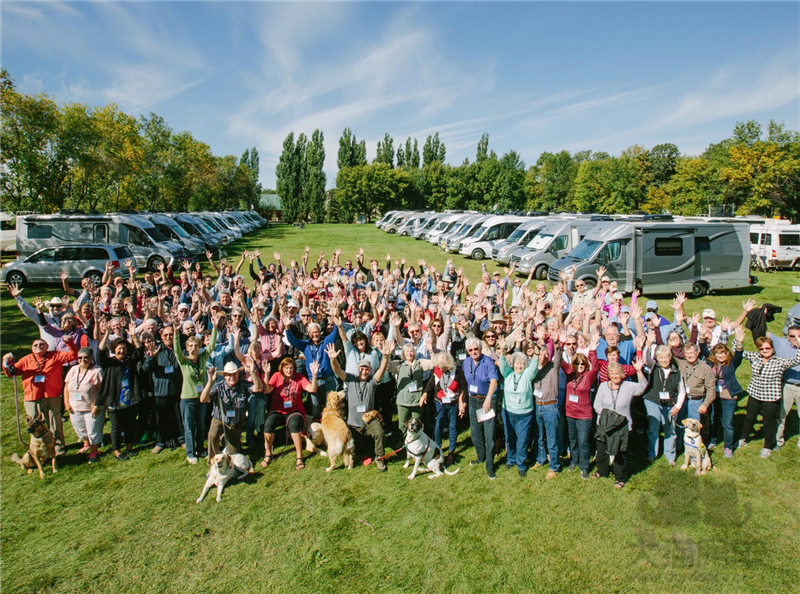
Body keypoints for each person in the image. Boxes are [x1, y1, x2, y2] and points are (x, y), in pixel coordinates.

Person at [2, 335, 78, 456]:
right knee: (33, 422)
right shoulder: (25, 360)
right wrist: (6, 362)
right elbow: (12, 372)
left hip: (51, 394)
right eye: (35, 345)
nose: (39, 346)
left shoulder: (56, 355)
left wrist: (70, 343)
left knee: (54, 420)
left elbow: (73, 356)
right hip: (32, 397)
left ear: (47, 346)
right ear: (32, 348)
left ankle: (58, 445)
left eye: (42, 344)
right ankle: (37, 447)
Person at [326, 341, 392, 472]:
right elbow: (337, 370)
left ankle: (379, 458)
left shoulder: (372, 381)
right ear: (358, 369)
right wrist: (333, 359)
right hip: (353, 424)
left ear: (370, 370)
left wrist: (385, 356)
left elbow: (382, 370)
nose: (364, 371)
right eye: (362, 368)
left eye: (367, 369)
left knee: (379, 433)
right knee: (359, 450)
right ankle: (363, 451)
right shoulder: (350, 379)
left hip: (369, 420)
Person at [735, 334, 800, 457]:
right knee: (749, 418)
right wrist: (738, 341)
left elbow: (797, 360)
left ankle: (767, 447)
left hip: (770, 397)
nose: (765, 351)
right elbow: (738, 352)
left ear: (772, 348)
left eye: (767, 348)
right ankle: (743, 439)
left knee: (768, 422)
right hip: (755, 394)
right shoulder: (755, 357)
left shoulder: (780, 361)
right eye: (761, 348)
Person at [593, 358, 648, 488]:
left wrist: (639, 371)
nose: (615, 376)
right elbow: (597, 405)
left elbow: (643, 386)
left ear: (622, 374)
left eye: (617, 373)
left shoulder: (628, 386)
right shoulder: (603, 386)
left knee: (620, 452)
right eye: (612, 373)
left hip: (622, 426)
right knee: (601, 449)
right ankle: (601, 471)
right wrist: (608, 416)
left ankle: (620, 477)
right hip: (604, 423)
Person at [262, 358, 319, 469]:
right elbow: (266, 390)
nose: (289, 370)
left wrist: (314, 375)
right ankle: (268, 453)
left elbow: (312, 389)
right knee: (268, 424)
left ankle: (299, 456)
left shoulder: (299, 377)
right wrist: (267, 374)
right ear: (282, 368)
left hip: (294, 410)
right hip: (278, 410)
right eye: (286, 368)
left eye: (291, 368)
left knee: (294, 425)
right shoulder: (276, 376)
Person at [173, 320, 218, 464]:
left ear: (199, 347)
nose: (194, 348)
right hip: (188, 399)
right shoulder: (184, 361)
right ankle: (190, 452)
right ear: (187, 348)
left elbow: (211, 346)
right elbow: (176, 350)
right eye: (191, 346)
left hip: (202, 398)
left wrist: (215, 328)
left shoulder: (203, 358)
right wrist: (176, 332)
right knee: (189, 427)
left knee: (201, 425)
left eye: (196, 345)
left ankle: (201, 448)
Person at [96, 329, 144, 461]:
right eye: (119, 349)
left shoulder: (129, 361)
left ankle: (129, 446)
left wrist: (134, 336)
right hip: (115, 401)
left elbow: (140, 351)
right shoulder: (109, 363)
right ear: (114, 350)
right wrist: (106, 334)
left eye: (124, 348)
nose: (122, 351)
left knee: (130, 424)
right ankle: (116, 450)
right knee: (116, 427)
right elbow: (100, 353)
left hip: (130, 399)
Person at [561, 334, 600, 479]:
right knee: (573, 439)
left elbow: (595, 367)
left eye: (582, 364)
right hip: (570, 413)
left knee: (583, 441)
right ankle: (574, 461)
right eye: (577, 363)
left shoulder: (588, 376)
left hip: (584, 415)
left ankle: (584, 467)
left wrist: (592, 351)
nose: (580, 366)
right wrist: (559, 344)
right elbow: (560, 362)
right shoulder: (569, 374)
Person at [142, 325, 183, 454]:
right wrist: (152, 357)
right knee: (161, 419)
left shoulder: (180, 348)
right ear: (161, 336)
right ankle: (161, 442)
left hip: (177, 390)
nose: (168, 337)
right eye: (166, 335)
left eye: (171, 334)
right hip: (161, 391)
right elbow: (146, 369)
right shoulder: (157, 349)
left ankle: (182, 439)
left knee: (179, 417)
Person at [201, 361, 255, 460]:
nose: (232, 377)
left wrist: (252, 372)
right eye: (229, 375)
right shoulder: (219, 386)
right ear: (224, 376)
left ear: (238, 374)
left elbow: (258, 388)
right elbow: (203, 399)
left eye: (234, 374)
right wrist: (210, 382)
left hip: (235, 423)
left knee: (234, 456)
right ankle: (213, 461)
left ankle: (228, 454)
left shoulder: (243, 385)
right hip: (219, 418)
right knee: (212, 436)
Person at [462, 337, 499, 479]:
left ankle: (490, 466)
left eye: (475, 349)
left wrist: (488, 399)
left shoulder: (488, 362)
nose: (473, 352)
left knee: (489, 435)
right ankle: (481, 456)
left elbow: (494, 382)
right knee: (475, 432)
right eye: (470, 350)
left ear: (480, 349)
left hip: (486, 400)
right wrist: (462, 401)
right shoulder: (466, 362)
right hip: (473, 399)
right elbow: (465, 383)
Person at [643, 345, 686, 466]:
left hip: (670, 404)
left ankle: (670, 456)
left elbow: (682, 392)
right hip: (653, 400)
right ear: (657, 358)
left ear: (670, 357)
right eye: (661, 357)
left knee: (670, 429)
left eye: (666, 357)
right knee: (654, 427)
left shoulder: (677, 373)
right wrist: (648, 344)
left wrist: (677, 406)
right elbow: (646, 358)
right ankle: (652, 453)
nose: (663, 360)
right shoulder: (653, 366)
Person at [705, 329, 744, 459]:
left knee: (727, 423)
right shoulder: (712, 363)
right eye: (717, 353)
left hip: (728, 397)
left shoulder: (732, 363)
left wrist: (739, 342)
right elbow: (703, 349)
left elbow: (738, 356)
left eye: (722, 353)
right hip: (715, 397)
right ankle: (713, 440)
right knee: (713, 420)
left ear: (726, 354)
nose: (720, 356)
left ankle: (728, 446)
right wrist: (701, 336)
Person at [422, 351, 466, 465]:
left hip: (453, 403)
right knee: (438, 427)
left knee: (453, 426)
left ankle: (451, 451)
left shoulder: (458, 371)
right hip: (440, 402)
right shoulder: (437, 370)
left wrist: (462, 403)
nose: (441, 368)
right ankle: (437, 449)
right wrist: (425, 393)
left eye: (443, 367)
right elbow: (431, 383)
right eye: (440, 366)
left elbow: (463, 387)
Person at [497, 351, 537, 477]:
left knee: (522, 439)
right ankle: (511, 459)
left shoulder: (527, 375)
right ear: (513, 364)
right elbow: (503, 365)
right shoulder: (508, 374)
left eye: (522, 364)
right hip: (508, 411)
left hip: (524, 413)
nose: (519, 366)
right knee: (509, 437)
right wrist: (502, 352)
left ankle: (521, 464)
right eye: (517, 363)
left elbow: (534, 366)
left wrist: (536, 354)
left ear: (525, 365)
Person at [63, 347, 103, 463]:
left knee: (93, 430)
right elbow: (66, 387)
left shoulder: (97, 371)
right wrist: (66, 403)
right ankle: (86, 444)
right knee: (80, 429)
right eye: (80, 358)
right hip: (75, 407)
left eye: (86, 357)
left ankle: (94, 451)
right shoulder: (73, 369)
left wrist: (97, 406)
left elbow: (102, 391)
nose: (83, 360)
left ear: (91, 358)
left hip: (91, 407)